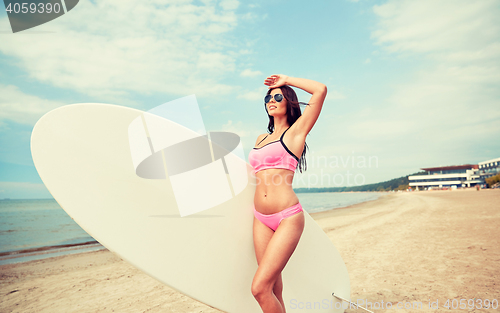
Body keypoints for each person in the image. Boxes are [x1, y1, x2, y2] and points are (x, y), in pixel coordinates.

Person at [248, 74, 327, 312]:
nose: (271, 100)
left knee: (259, 288)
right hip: (260, 218)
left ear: (288, 102)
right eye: (268, 98)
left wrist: (285, 79)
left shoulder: (295, 134)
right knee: (272, 288)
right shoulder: (261, 138)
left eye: (278, 96)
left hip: (287, 217)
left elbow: (320, 90)